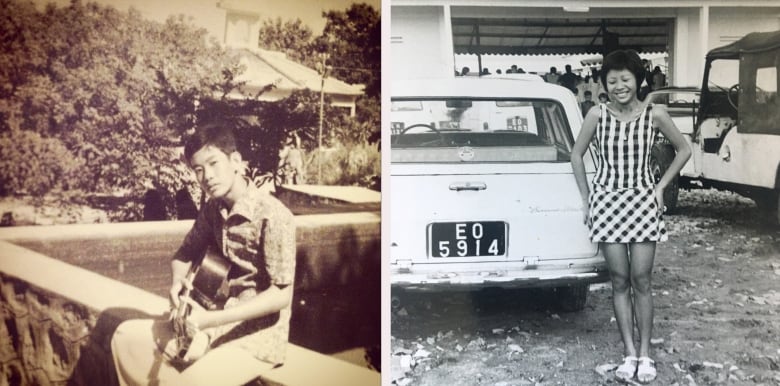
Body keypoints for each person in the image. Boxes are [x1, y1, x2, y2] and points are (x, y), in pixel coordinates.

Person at [111, 121, 297, 386]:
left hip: (256, 337)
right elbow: (184, 254)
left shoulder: (274, 216)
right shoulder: (213, 210)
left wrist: (211, 320)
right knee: (125, 337)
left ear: (236, 161)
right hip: (209, 323)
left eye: (213, 164)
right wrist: (177, 283)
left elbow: (281, 295)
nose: (206, 176)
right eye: (198, 169)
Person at [570, 50, 691, 384]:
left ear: (639, 80)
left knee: (642, 279)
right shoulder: (597, 114)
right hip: (607, 204)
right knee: (619, 281)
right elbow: (576, 156)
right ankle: (629, 354)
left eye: (626, 79)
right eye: (612, 81)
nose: (620, 86)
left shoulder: (655, 114)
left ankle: (646, 354)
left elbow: (684, 149)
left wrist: (661, 187)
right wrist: (586, 199)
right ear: (603, 85)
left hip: (642, 202)